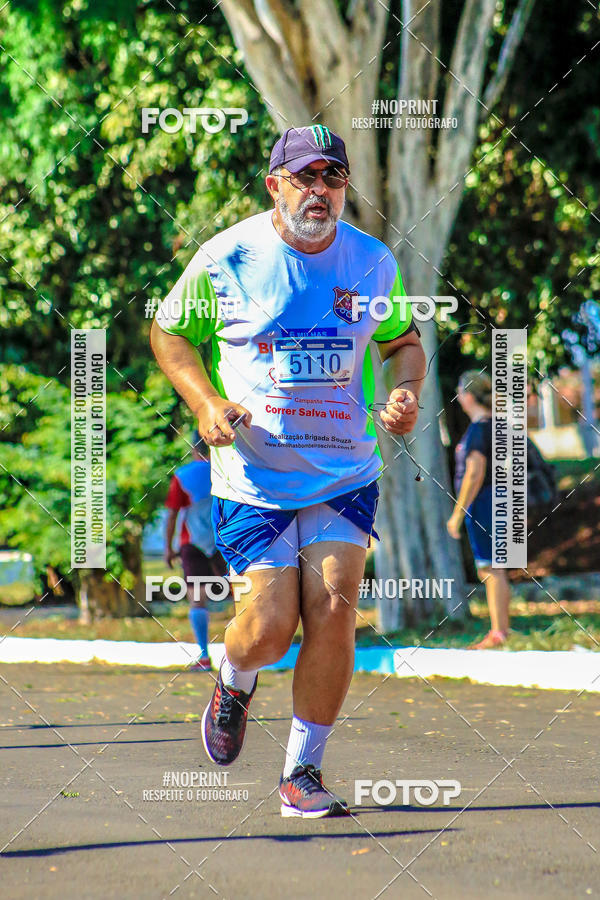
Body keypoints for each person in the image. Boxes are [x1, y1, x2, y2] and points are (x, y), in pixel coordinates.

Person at [151, 125, 426, 818]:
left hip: (344, 471)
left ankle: (302, 772)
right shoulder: (228, 257)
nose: (319, 190)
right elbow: (169, 332)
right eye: (304, 177)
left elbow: (403, 344)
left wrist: (406, 391)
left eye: (332, 178)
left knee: (333, 609)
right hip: (256, 476)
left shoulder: (371, 262)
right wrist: (206, 401)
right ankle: (234, 678)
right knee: (271, 628)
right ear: (275, 184)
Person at [447, 371, 512, 649]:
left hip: (484, 503)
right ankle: (501, 630)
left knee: (490, 569)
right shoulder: (494, 425)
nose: (459, 398)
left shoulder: (478, 430)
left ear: (469, 396)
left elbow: (474, 473)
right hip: (497, 500)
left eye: (461, 392)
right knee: (495, 568)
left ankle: (498, 633)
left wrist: (457, 513)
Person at [165, 431, 226, 671]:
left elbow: (172, 515)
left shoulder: (182, 476)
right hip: (224, 541)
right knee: (240, 597)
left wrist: (168, 548)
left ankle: (203, 655)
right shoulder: (225, 472)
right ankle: (240, 658)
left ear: (193, 448)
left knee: (197, 599)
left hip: (192, 544)